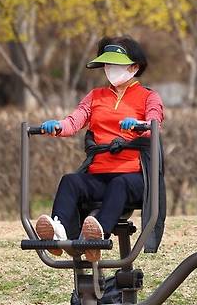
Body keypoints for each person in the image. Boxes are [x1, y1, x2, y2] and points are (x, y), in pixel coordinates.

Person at [35, 36, 164, 262]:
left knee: (119, 183)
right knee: (70, 181)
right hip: (100, 175)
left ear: (134, 67)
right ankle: (59, 232)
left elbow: (155, 123)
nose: (110, 70)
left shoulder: (148, 97)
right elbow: (74, 121)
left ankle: (96, 236)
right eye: (107, 65)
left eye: (116, 65)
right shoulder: (95, 96)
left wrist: (139, 125)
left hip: (133, 176)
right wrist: (57, 126)